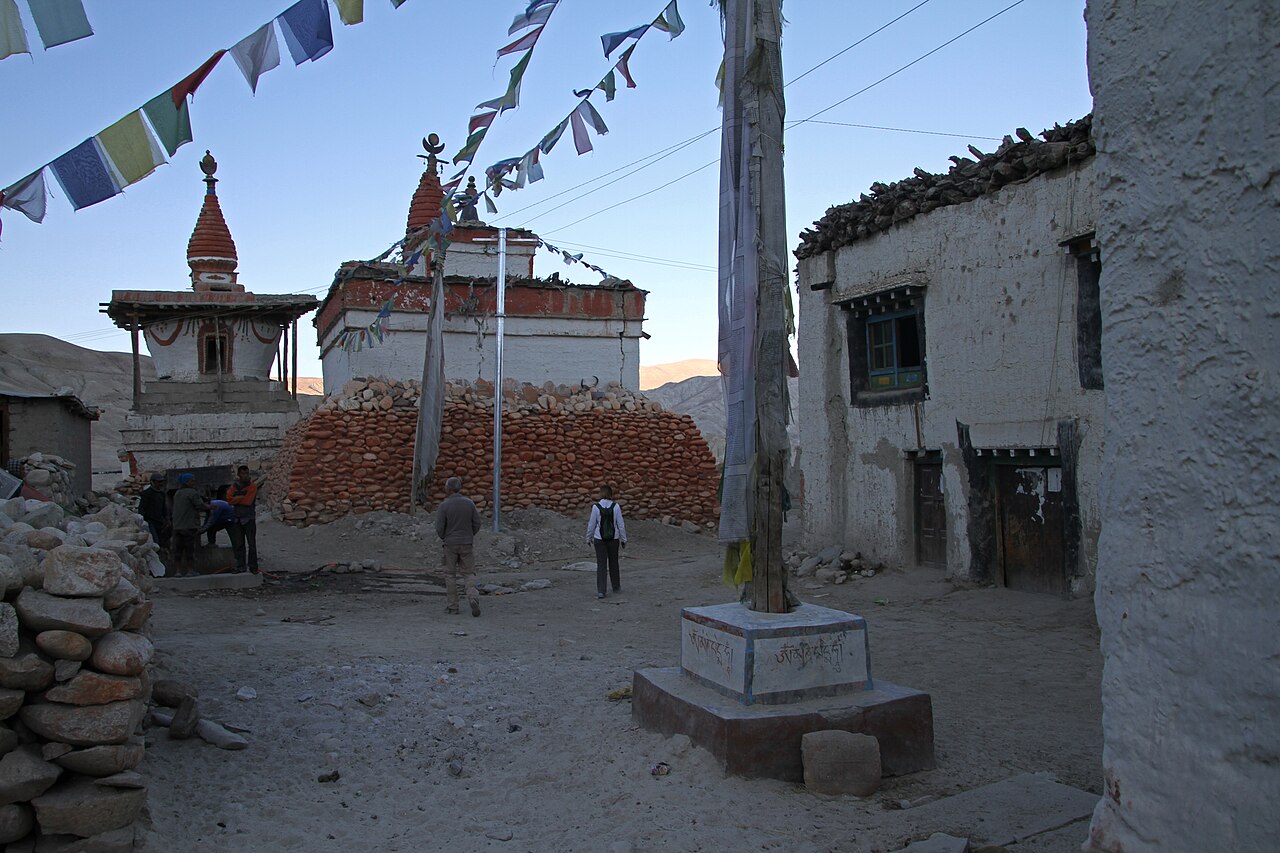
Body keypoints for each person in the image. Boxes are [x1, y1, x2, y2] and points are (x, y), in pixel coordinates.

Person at [434, 476, 482, 617]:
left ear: (448, 488)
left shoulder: (444, 505)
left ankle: (453, 606)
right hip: (467, 543)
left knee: (450, 575)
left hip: (450, 544)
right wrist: (469, 535)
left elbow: (439, 527)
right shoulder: (469, 503)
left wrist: (445, 537)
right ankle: (473, 597)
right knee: (468, 573)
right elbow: (477, 523)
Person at [585, 484, 627, 599]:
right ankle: (616, 586)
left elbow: (591, 525)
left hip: (599, 539)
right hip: (614, 538)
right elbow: (620, 524)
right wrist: (624, 539)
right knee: (614, 563)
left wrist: (588, 538)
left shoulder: (596, 507)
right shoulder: (616, 506)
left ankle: (601, 591)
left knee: (601, 565)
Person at [170, 473, 206, 577]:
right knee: (189, 549)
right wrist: (210, 507)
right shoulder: (192, 493)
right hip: (189, 526)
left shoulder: (177, 493)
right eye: (192, 481)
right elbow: (200, 505)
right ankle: (190, 571)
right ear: (187, 482)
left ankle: (178, 571)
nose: (194, 482)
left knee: (178, 550)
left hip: (177, 526)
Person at [225, 465, 259, 574]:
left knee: (252, 545)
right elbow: (229, 500)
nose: (245, 476)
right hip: (237, 519)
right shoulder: (234, 486)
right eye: (243, 474)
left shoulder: (252, 486)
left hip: (249, 518)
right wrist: (240, 498)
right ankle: (241, 566)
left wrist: (237, 498)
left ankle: (253, 567)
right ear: (239, 475)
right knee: (239, 545)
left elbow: (248, 501)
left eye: (247, 473)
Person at [138, 473, 169, 551]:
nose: (160, 484)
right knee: (156, 542)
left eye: (161, 482)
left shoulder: (161, 494)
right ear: (152, 482)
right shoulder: (147, 494)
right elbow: (141, 509)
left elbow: (163, 508)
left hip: (160, 522)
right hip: (150, 521)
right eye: (158, 482)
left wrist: (166, 518)